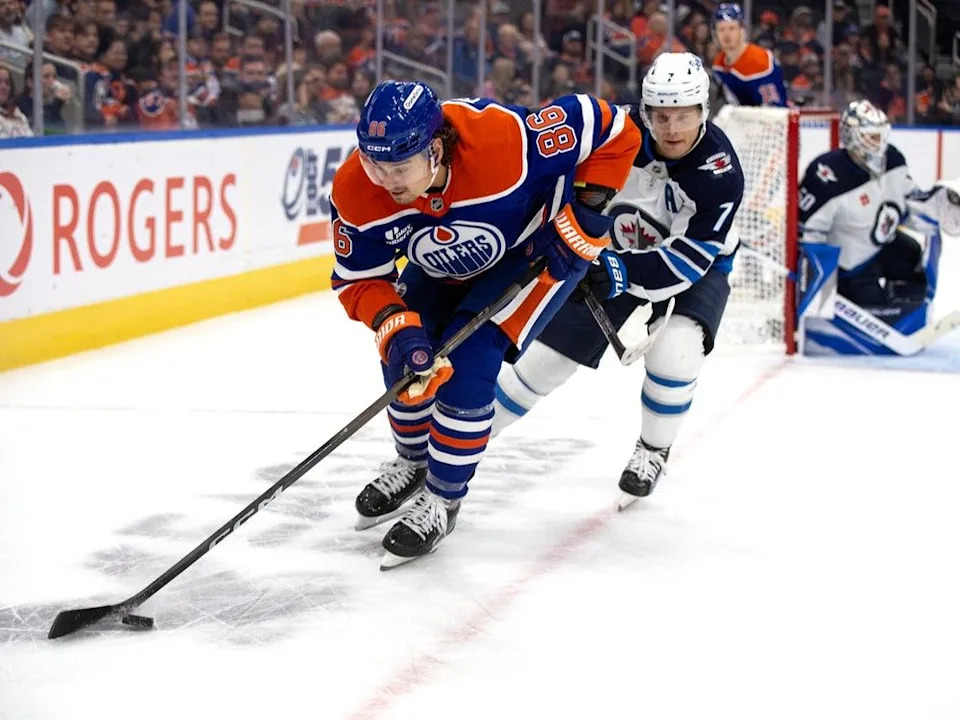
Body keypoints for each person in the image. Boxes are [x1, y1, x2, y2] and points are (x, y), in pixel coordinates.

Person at [331, 80, 641, 567]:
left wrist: (586, 217)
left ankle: (443, 499)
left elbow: (613, 127)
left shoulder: (503, 141)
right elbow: (359, 280)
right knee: (405, 367)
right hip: (439, 262)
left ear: (435, 149)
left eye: (399, 166)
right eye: (374, 163)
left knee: (468, 370)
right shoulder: (355, 188)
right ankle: (414, 462)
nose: (385, 180)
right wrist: (397, 326)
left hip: (531, 257)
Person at [493, 52, 744, 509]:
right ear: (645, 111)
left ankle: (653, 448)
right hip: (609, 254)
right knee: (542, 363)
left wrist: (623, 273)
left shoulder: (719, 173)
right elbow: (560, 186)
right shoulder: (615, 135)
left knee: (677, 352)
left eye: (683, 115)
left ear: (702, 111)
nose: (671, 128)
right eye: (661, 115)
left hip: (691, 268)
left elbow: (690, 260)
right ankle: (453, 452)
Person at [798, 100, 938, 307]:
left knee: (911, 254)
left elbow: (909, 197)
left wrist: (937, 206)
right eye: (872, 137)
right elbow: (808, 233)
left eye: (881, 136)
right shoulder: (826, 174)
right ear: (852, 138)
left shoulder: (893, 159)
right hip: (849, 265)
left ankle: (905, 308)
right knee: (874, 307)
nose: (880, 144)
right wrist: (819, 282)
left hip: (880, 244)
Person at [711, 3, 787, 107]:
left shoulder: (761, 60)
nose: (726, 34)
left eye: (731, 28)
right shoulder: (718, 62)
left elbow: (774, 108)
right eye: (721, 29)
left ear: (742, 30)